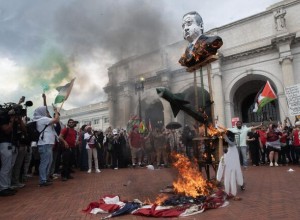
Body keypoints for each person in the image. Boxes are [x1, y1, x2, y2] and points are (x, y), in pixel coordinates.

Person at [0, 102, 26, 196]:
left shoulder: (16, 119)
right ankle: (3, 188)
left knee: (10, 166)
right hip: (5, 143)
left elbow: (24, 130)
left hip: (14, 144)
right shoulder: (3, 117)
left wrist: (19, 120)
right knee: (6, 167)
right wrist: (11, 119)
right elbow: (7, 130)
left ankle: (7, 185)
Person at [33, 106, 59, 186]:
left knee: (49, 162)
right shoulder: (42, 119)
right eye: (46, 111)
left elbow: (55, 124)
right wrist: (56, 111)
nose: (48, 113)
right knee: (45, 162)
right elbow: (56, 120)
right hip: (45, 144)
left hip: (47, 144)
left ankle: (45, 178)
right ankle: (42, 180)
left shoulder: (43, 119)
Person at [217, 130, 244, 200]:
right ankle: (229, 192)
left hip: (232, 158)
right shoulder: (228, 146)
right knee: (229, 176)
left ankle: (232, 192)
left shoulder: (233, 146)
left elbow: (232, 143)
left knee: (232, 176)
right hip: (228, 157)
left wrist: (225, 137)